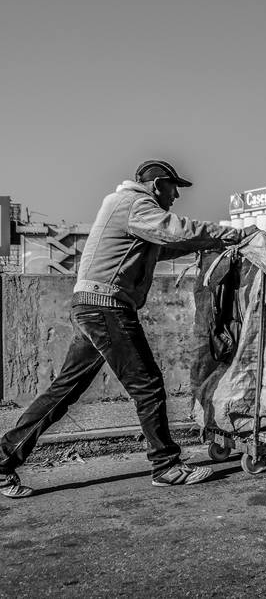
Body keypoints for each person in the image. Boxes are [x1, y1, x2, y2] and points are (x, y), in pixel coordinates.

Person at [0, 160, 250, 498]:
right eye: (174, 187)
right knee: (147, 385)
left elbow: (165, 246)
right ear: (158, 184)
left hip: (90, 304)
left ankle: (3, 461)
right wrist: (233, 233)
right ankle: (165, 466)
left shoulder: (129, 210)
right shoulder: (135, 204)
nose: (176, 195)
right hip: (106, 307)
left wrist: (207, 245)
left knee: (63, 391)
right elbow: (175, 229)